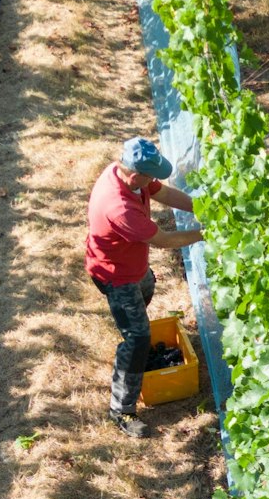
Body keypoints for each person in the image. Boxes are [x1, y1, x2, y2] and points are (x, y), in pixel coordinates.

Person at [85, 137, 203, 438]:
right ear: (135, 174)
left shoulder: (128, 176)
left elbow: (161, 192)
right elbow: (162, 240)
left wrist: (202, 208)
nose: (153, 180)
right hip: (115, 275)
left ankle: (130, 331)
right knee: (138, 338)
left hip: (135, 269)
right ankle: (121, 411)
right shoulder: (119, 207)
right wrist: (203, 234)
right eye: (150, 175)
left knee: (147, 286)